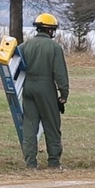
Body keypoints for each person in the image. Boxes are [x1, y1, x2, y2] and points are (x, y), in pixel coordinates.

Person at [18, 13, 69, 170]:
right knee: (52, 125)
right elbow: (60, 73)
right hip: (46, 87)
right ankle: (53, 162)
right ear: (49, 30)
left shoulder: (23, 46)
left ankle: (30, 163)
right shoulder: (54, 47)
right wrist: (63, 94)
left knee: (29, 127)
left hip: (28, 87)